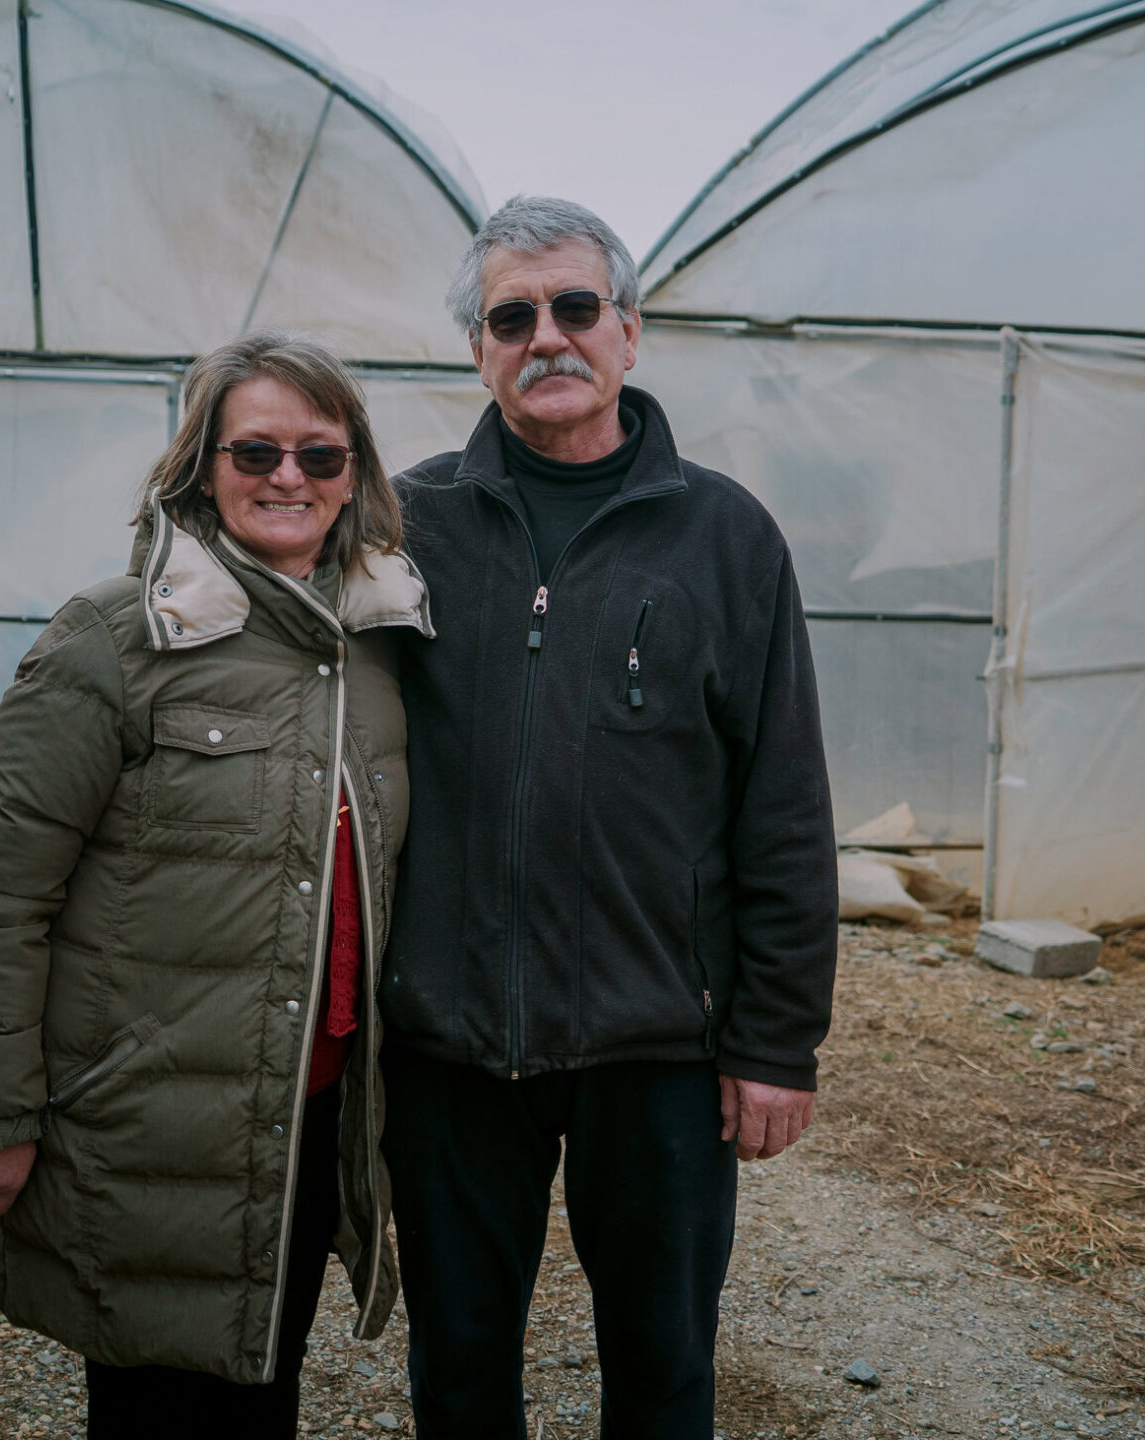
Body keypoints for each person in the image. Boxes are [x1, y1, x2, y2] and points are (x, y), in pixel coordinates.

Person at [384, 196, 839, 1437]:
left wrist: (775, 1040)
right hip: (449, 1043)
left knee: (662, 1365)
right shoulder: (402, 526)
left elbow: (783, 802)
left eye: (576, 307)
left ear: (628, 333)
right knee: (461, 1364)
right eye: (511, 316)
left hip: (661, 1045)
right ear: (478, 349)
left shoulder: (724, 535)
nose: (547, 337)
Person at [0, 331, 431, 1438]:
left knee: (263, 1388)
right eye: (256, 453)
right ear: (202, 464)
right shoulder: (114, 637)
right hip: (151, 1122)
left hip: (306, 1116)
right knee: (158, 1404)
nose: (289, 479)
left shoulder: (379, 647)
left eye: (321, 455)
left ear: (356, 474)